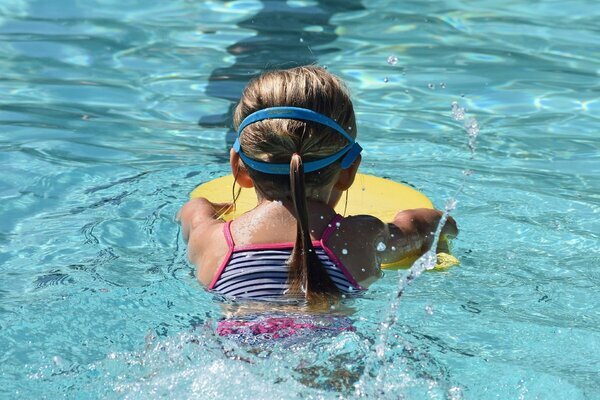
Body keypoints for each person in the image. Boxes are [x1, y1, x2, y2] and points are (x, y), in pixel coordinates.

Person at [178, 66, 457, 305]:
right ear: (349, 171)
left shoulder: (211, 240)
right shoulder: (357, 236)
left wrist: (211, 206)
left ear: (239, 168)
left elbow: (193, 210)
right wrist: (441, 224)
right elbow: (426, 225)